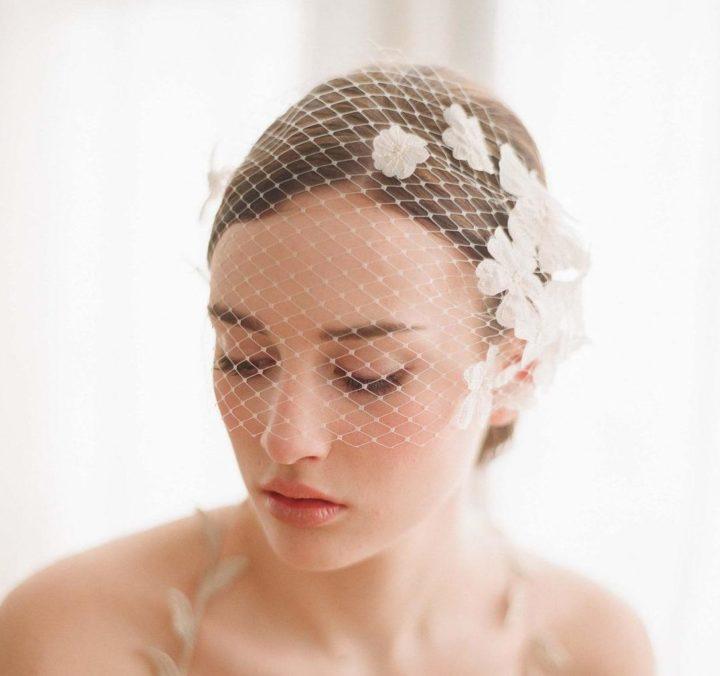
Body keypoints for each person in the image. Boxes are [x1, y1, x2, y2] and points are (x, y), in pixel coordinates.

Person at [0, 61, 656, 675]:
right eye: (244, 359)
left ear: (516, 369)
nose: (284, 440)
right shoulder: (73, 637)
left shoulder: (591, 648)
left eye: (369, 374)